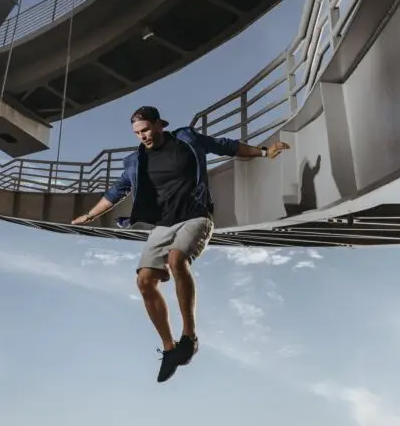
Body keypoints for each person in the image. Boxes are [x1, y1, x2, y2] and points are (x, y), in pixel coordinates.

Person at [72, 106, 290, 382]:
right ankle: (169, 349)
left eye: (146, 130)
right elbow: (117, 191)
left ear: (160, 124)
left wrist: (263, 151)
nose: (143, 137)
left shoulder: (186, 139)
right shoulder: (135, 161)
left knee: (177, 260)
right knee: (144, 280)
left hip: (196, 215)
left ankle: (189, 338)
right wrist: (90, 215)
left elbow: (224, 146)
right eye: (138, 133)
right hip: (163, 223)